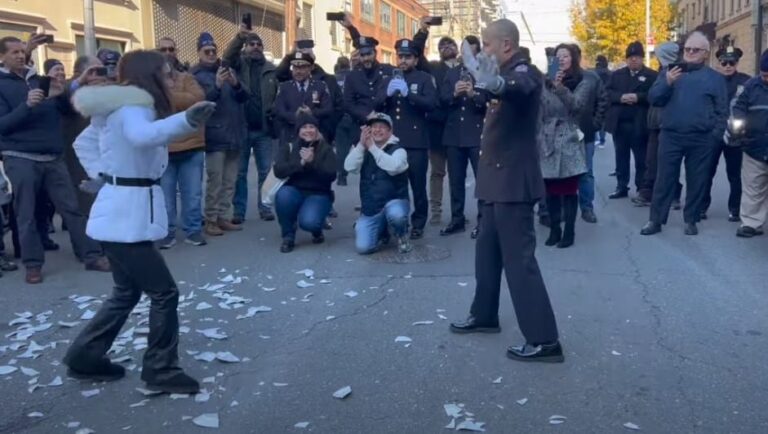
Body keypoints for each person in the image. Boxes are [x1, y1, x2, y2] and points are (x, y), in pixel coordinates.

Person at [63, 49, 216, 393]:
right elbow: (142, 137)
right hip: (126, 215)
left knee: (126, 291)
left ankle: (84, 356)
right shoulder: (135, 105)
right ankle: (160, 369)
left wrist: (105, 174)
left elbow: (84, 141)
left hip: (120, 210)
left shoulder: (118, 105)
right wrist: (187, 120)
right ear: (150, 74)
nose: (170, 77)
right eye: (165, 72)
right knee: (164, 293)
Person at [449, 19, 562, 363]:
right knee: (486, 253)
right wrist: (480, 86)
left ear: (506, 46)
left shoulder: (522, 71)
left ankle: (545, 340)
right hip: (495, 182)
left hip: (513, 183)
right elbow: (493, 96)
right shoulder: (501, 72)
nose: (483, 50)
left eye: (486, 44)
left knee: (519, 261)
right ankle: (484, 315)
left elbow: (518, 87)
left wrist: (493, 81)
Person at [0, 36, 111, 284]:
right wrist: (26, 106)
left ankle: (91, 255)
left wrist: (77, 83)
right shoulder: (2, 85)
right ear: (3, 57)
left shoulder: (39, 80)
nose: (20, 55)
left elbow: (65, 107)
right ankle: (33, 264)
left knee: (71, 208)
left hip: (53, 156)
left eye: (22, 51)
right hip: (20, 157)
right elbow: (2, 126)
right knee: (26, 212)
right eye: (15, 52)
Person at [641, 31, 728, 236]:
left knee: (697, 180)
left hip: (701, 138)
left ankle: (691, 219)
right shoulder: (670, 72)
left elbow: (722, 110)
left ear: (705, 53)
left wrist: (715, 136)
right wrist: (667, 82)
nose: (689, 52)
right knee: (664, 179)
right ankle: (655, 220)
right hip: (671, 135)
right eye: (687, 49)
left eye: (695, 50)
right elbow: (654, 99)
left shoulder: (714, 78)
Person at [193, 32, 248, 237]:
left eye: (213, 51)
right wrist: (216, 86)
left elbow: (245, 97)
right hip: (214, 136)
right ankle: (211, 219)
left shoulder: (228, 70)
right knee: (215, 182)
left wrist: (235, 84)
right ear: (199, 52)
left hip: (234, 133)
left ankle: (224, 216)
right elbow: (200, 104)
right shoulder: (195, 75)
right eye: (206, 51)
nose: (211, 54)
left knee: (229, 181)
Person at [381, 39, 437, 240]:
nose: (403, 60)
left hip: (416, 142)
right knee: (394, 185)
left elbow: (431, 104)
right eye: (400, 56)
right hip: (394, 141)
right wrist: (387, 94)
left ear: (415, 59)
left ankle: (419, 222)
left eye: (407, 57)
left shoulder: (423, 79)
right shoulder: (388, 78)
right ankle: (397, 220)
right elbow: (377, 104)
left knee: (418, 185)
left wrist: (408, 94)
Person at [224, 25, 278, 224]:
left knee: (265, 171)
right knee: (240, 173)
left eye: (258, 44)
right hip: (242, 128)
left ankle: (264, 207)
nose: (255, 47)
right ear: (245, 47)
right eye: (251, 44)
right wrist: (240, 37)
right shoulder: (239, 65)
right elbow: (227, 57)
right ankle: (239, 211)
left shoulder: (271, 69)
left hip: (264, 129)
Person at [538, 44, 589, 248]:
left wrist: (560, 87)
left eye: (566, 56)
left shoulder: (583, 81)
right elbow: (540, 107)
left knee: (568, 189)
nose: (561, 59)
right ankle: (554, 229)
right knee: (550, 188)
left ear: (573, 58)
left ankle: (569, 231)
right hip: (547, 137)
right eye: (557, 56)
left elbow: (577, 105)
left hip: (569, 135)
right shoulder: (544, 81)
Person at [158, 43, 207, 249]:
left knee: (193, 194)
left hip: (192, 146)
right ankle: (167, 232)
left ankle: (193, 231)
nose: (168, 53)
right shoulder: (149, 83)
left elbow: (198, 100)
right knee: (165, 197)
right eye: (163, 50)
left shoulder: (187, 78)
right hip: (163, 150)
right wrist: (179, 101)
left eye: (171, 49)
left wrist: (168, 97)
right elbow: (152, 107)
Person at [440, 35, 487, 238]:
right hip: (454, 135)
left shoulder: (484, 72)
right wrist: (454, 94)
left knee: (482, 181)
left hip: (476, 135)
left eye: (472, 52)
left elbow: (488, 101)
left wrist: (472, 95)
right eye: (465, 51)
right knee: (455, 181)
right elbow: (440, 99)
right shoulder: (451, 73)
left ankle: (483, 221)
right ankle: (457, 219)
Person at [344, 113, 411, 254]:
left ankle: (402, 234)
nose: (377, 130)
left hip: (394, 201)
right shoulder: (363, 148)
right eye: (374, 127)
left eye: (382, 127)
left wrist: (373, 148)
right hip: (371, 207)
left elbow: (395, 168)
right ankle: (382, 232)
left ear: (390, 131)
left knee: (397, 216)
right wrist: (361, 145)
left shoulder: (398, 149)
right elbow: (349, 167)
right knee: (363, 248)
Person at [413, 21, 458, 226]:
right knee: (438, 172)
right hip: (437, 128)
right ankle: (436, 211)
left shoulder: (467, 68)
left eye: (451, 44)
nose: (447, 47)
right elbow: (416, 52)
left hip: (460, 129)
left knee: (457, 174)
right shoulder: (431, 68)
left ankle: (458, 213)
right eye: (442, 45)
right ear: (438, 51)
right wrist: (423, 31)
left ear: (457, 49)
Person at [273, 113, 336, 252]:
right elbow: (278, 171)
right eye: (304, 127)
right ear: (298, 131)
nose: (308, 130)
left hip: (319, 194)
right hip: (294, 191)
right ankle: (288, 235)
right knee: (283, 195)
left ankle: (316, 229)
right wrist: (301, 163)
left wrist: (312, 162)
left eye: (312, 127)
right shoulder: (289, 147)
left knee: (309, 222)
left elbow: (331, 176)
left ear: (317, 130)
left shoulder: (325, 149)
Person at [702, 43, 751, 222]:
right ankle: (701, 206)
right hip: (713, 133)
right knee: (706, 172)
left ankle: (735, 209)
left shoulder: (746, 81)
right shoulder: (710, 80)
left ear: (737, 63)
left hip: (735, 134)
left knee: (735, 175)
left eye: (732, 63)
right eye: (724, 63)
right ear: (718, 63)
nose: (728, 66)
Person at [604, 41, 657, 199]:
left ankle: (641, 187)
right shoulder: (617, 75)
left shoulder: (651, 76)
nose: (633, 60)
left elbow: (654, 95)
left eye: (637, 57)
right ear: (626, 59)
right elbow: (606, 93)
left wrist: (638, 97)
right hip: (620, 123)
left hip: (640, 124)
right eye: (630, 57)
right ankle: (621, 186)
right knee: (621, 157)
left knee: (641, 158)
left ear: (642, 59)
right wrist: (620, 97)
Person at [633, 42, 682, 209]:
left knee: (663, 161)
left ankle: (669, 194)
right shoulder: (663, 72)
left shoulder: (674, 73)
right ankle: (650, 191)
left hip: (666, 123)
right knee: (652, 160)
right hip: (655, 123)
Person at [565, 44, 607, 224]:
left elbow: (603, 101)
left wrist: (595, 124)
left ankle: (587, 208)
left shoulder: (591, 78)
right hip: (561, 134)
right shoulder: (554, 79)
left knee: (586, 172)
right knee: (563, 173)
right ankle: (563, 209)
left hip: (585, 132)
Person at [731, 50, 768, 238]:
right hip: (754, 145)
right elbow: (738, 108)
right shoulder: (750, 86)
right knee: (754, 186)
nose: (766, 78)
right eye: (763, 75)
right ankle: (751, 223)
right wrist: (738, 126)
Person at [63, 55, 106, 216]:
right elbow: (67, 95)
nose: (100, 73)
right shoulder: (70, 87)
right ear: (82, 71)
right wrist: (81, 81)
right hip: (78, 154)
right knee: (85, 201)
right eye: (95, 69)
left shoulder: (102, 87)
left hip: (101, 150)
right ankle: (89, 240)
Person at [274, 52, 333, 146]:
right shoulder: (284, 87)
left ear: (310, 68)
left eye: (302, 68)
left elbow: (328, 109)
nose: (298, 71)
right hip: (291, 136)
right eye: (295, 68)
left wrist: (312, 113)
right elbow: (279, 111)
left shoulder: (320, 86)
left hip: (315, 136)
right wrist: (295, 116)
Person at [334, 55, 355, 186]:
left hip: (340, 118)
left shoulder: (334, 79)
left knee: (342, 149)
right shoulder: (353, 77)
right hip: (354, 117)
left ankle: (342, 175)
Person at [593, 54, 611, 148]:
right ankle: (602, 140)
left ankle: (595, 138)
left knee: (593, 118)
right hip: (607, 99)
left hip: (594, 98)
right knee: (603, 121)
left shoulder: (593, 72)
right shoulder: (609, 73)